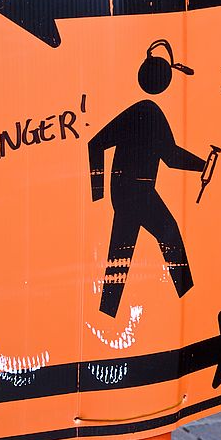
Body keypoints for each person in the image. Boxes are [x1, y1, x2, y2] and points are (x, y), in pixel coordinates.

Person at [88, 39, 207, 318]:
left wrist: (102, 193)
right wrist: (202, 165)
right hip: (137, 190)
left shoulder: (141, 111)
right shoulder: (149, 112)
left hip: (127, 191)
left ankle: (107, 310)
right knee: (170, 234)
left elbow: (167, 156)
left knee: (121, 252)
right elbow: (171, 156)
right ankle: (189, 297)